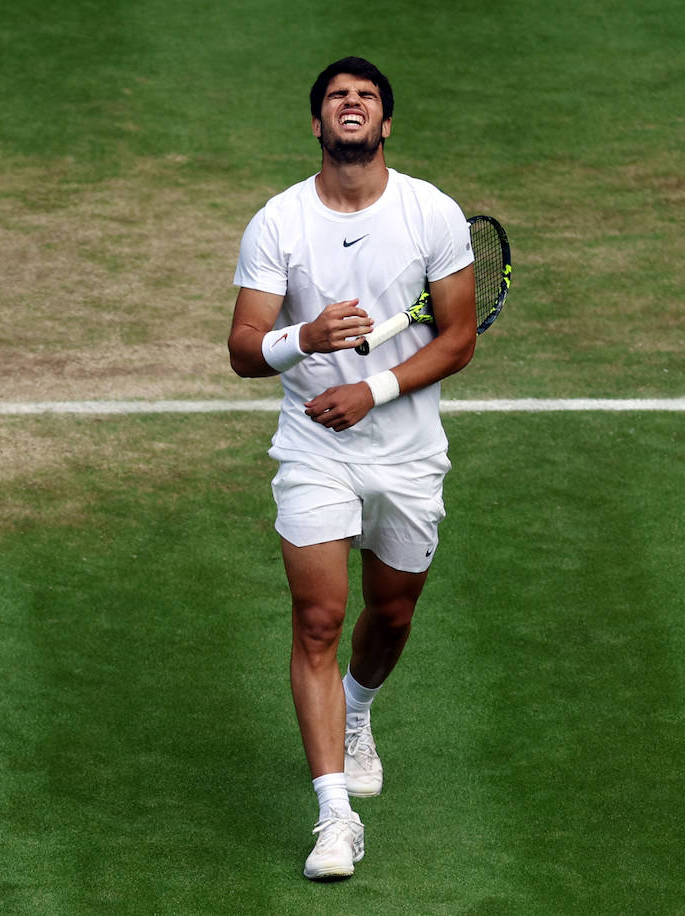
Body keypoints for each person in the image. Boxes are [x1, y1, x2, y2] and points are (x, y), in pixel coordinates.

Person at [228, 56, 476, 880]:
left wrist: (370, 387)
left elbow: (457, 338)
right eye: (337, 96)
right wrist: (305, 338)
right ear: (317, 122)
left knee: (393, 615)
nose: (352, 105)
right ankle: (334, 818)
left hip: (407, 454)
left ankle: (360, 710)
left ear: (386, 123)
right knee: (318, 624)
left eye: (366, 97)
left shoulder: (430, 212)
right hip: (314, 449)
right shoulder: (277, 223)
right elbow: (242, 349)